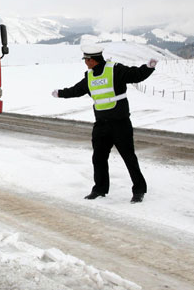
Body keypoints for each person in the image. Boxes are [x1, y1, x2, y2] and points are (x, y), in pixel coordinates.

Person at [51, 45, 157, 203]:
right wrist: (61, 93)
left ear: (92, 60)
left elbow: (135, 75)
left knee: (129, 158)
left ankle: (139, 190)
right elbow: (77, 90)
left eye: (86, 60)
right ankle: (100, 189)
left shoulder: (115, 69)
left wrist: (148, 68)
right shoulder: (90, 76)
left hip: (120, 123)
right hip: (101, 124)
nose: (85, 63)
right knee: (98, 158)